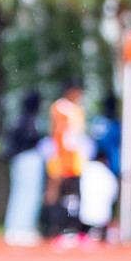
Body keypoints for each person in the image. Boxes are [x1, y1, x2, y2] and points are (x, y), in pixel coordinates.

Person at [46, 80, 88, 247]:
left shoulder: (77, 110)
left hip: (76, 162)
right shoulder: (60, 108)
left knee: (74, 197)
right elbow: (58, 135)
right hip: (63, 161)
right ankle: (59, 230)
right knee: (61, 196)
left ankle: (74, 230)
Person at [2, 92, 44, 247]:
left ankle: (16, 227)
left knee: (19, 194)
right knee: (29, 195)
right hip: (28, 159)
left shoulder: (17, 120)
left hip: (17, 160)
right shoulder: (30, 121)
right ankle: (22, 229)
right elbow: (31, 139)